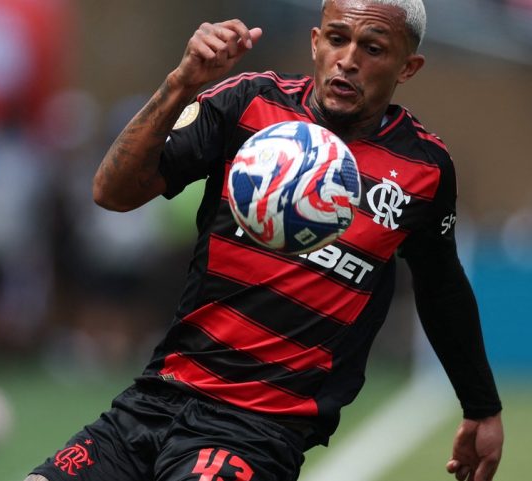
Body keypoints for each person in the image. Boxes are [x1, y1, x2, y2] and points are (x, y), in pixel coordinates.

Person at [27, 1, 504, 481]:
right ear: (315, 42)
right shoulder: (249, 103)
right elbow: (112, 192)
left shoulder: (423, 169)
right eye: (337, 39)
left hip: (255, 430)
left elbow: (441, 287)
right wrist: (182, 83)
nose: (349, 59)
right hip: (154, 399)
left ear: (408, 67)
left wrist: (480, 406)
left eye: (373, 48)